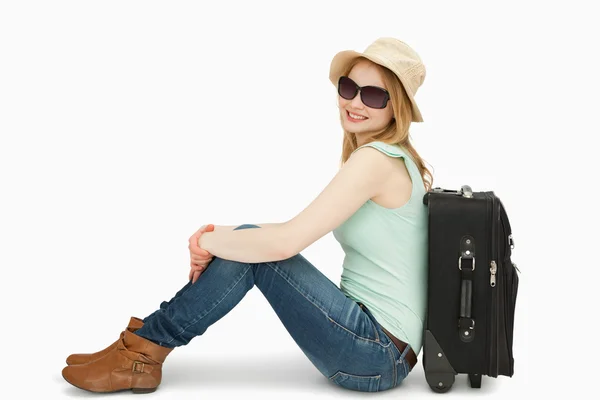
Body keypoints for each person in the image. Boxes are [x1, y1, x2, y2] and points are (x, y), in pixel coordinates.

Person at [61, 37, 434, 394]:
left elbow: (288, 241)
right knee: (252, 239)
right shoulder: (391, 159)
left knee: (262, 255)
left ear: (396, 107)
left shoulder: (375, 161)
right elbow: (287, 230)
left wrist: (206, 241)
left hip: (376, 354)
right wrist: (223, 233)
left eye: (372, 95)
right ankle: (138, 348)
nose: (354, 102)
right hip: (377, 346)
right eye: (348, 87)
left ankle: (142, 351)